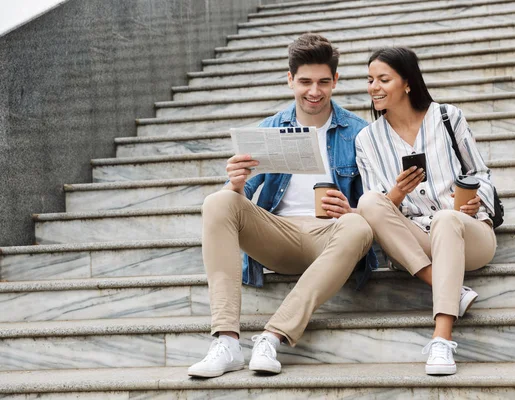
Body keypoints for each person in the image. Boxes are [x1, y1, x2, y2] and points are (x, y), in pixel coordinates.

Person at [187, 33, 377, 378]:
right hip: (279, 237)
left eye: (323, 82)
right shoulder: (269, 129)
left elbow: (382, 202)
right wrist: (236, 183)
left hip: (335, 235)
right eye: (305, 81)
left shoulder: (361, 132)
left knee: (359, 224)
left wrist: (354, 210)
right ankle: (227, 341)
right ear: (290, 80)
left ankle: (272, 337)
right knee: (218, 201)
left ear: (336, 80)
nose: (314, 91)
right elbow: (237, 205)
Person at [355, 47, 497, 375]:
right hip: (417, 239)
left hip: (469, 233)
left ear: (407, 83)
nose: (373, 87)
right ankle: (445, 285)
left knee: (447, 219)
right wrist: (398, 191)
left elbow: (481, 175)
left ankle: (442, 340)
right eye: (370, 79)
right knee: (366, 203)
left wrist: (477, 203)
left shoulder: (447, 117)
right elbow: (378, 206)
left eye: (383, 79)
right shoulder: (367, 139)